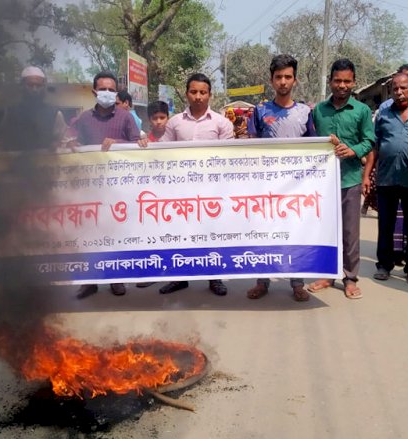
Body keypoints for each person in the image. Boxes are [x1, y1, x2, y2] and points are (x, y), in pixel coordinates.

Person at [244, 54, 315, 302]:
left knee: (296, 233)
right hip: (266, 185)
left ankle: (297, 283)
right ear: (271, 80)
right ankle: (262, 281)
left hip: (297, 188)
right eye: (278, 77)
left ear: (295, 80)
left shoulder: (306, 112)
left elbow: (314, 148)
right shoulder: (260, 111)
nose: (283, 81)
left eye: (288, 77)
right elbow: (251, 145)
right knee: (265, 233)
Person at [159, 73, 234, 296]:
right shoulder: (174, 123)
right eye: (194, 92)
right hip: (181, 191)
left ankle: (215, 278)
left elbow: (229, 157)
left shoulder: (222, 123)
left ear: (210, 94)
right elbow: (161, 154)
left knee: (211, 233)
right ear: (187, 94)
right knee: (180, 233)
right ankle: (180, 278)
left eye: (203, 92)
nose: (198, 97)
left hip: (211, 191)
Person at [308, 59, 375, 299]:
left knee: (349, 232)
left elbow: (369, 140)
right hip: (322, 183)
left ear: (354, 82)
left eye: (347, 81)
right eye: (338, 81)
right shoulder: (318, 110)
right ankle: (328, 274)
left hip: (349, 179)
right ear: (330, 82)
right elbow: (310, 140)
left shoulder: (362, 111)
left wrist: (353, 150)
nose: (342, 85)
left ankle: (350, 278)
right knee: (326, 230)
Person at [72, 71, 141, 299]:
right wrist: (70, 143)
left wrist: (119, 143)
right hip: (89, 188)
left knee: (114, 234)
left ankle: (116, 279)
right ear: (94, 92)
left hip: (117, 188)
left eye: (112, 90)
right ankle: (89, 281)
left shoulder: (125, 117)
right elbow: (71, 140)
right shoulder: (83, 119)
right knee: (89, 235)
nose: (108, 94)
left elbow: (138, 145)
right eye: (104, 89)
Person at [364, 72, 408, 286]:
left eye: (404, 88)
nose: (399, 93)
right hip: (387, 177)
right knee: (386, 224)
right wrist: (367, 175)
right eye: (395, 89)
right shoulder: (384, 114)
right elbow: (375, 146)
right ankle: (384, 264)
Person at [133, 100, 170, 290]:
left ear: (168, 118)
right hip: (152, 197)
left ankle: (176, 277)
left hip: (174, 195)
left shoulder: (175, 140)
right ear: (149, 120)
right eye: (155, 118)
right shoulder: (144, 140)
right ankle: (152, 273)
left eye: (162, 117)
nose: (158, 122)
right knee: (152, 236)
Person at [0, 66, 68, 152]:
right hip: (18, 163)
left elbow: (64, 140)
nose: (34, 89)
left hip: (47, 163)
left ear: (43, 87)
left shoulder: (55, 113)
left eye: (38, 86)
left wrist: (59, 144)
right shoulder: (10, 113)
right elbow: (2, 142)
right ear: (22, 86)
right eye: (30, 85)